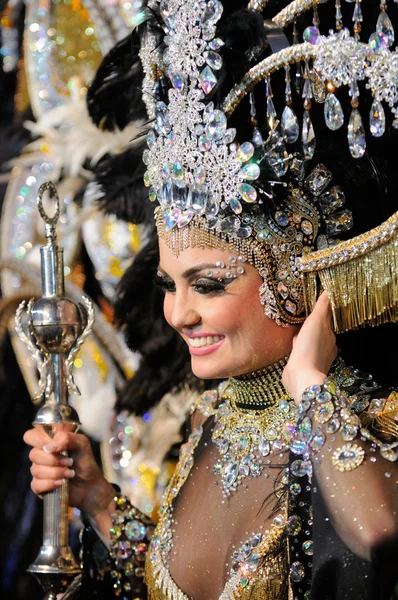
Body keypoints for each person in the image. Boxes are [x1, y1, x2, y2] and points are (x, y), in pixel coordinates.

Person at [24, 0, 398, 598]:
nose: (177, 314)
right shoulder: (212, 418)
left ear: (291, 277)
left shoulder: (364, 424)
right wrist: (96, 496)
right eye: (170, 285)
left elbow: (385, 545)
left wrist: (309, 388)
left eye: (208, 284)